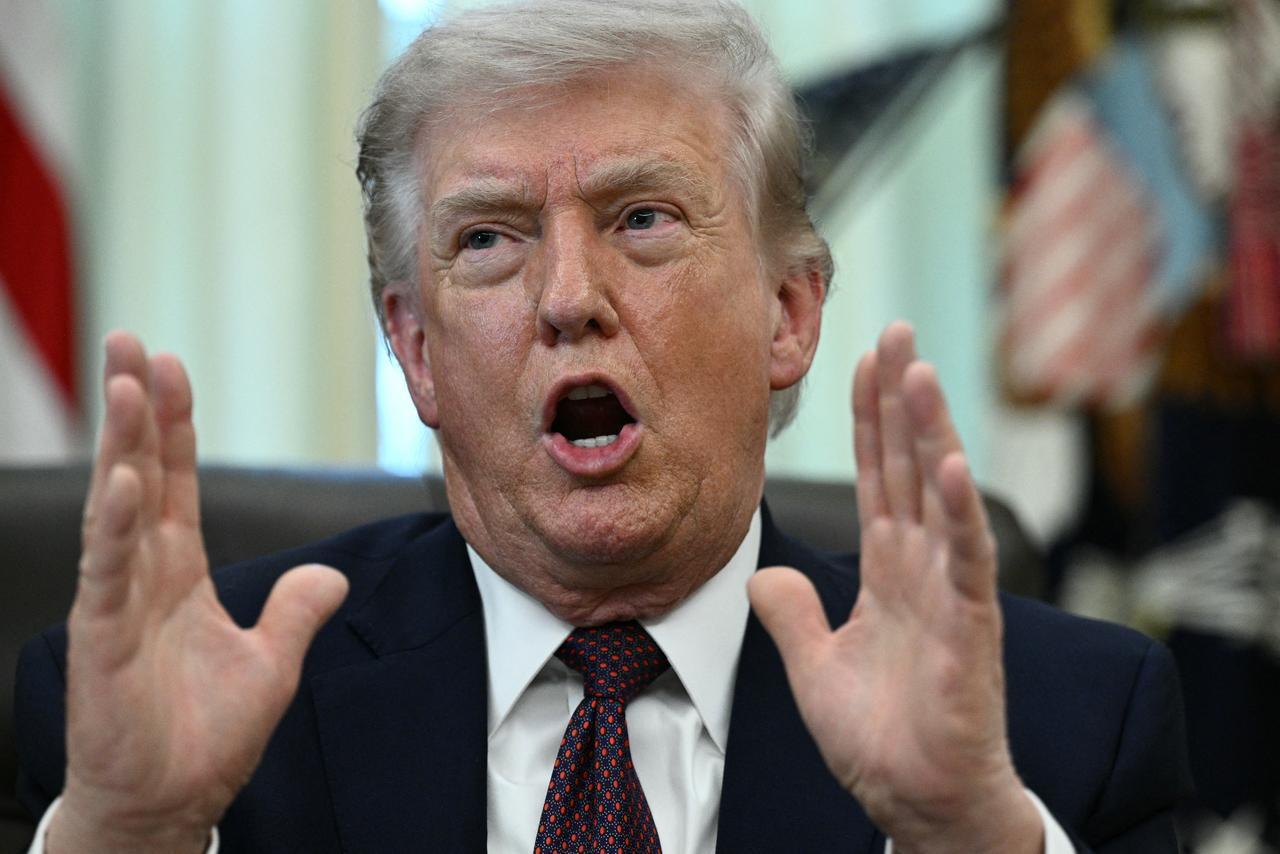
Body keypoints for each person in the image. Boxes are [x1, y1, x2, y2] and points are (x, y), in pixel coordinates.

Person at [14, 1, 1191, 851]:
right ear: (415, 349)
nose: (567, 295)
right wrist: (133, 837)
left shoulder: (1060, 726)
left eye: (640, 217)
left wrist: (957, 837)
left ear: (786, 313)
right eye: (487, 237)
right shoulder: (161, 720)